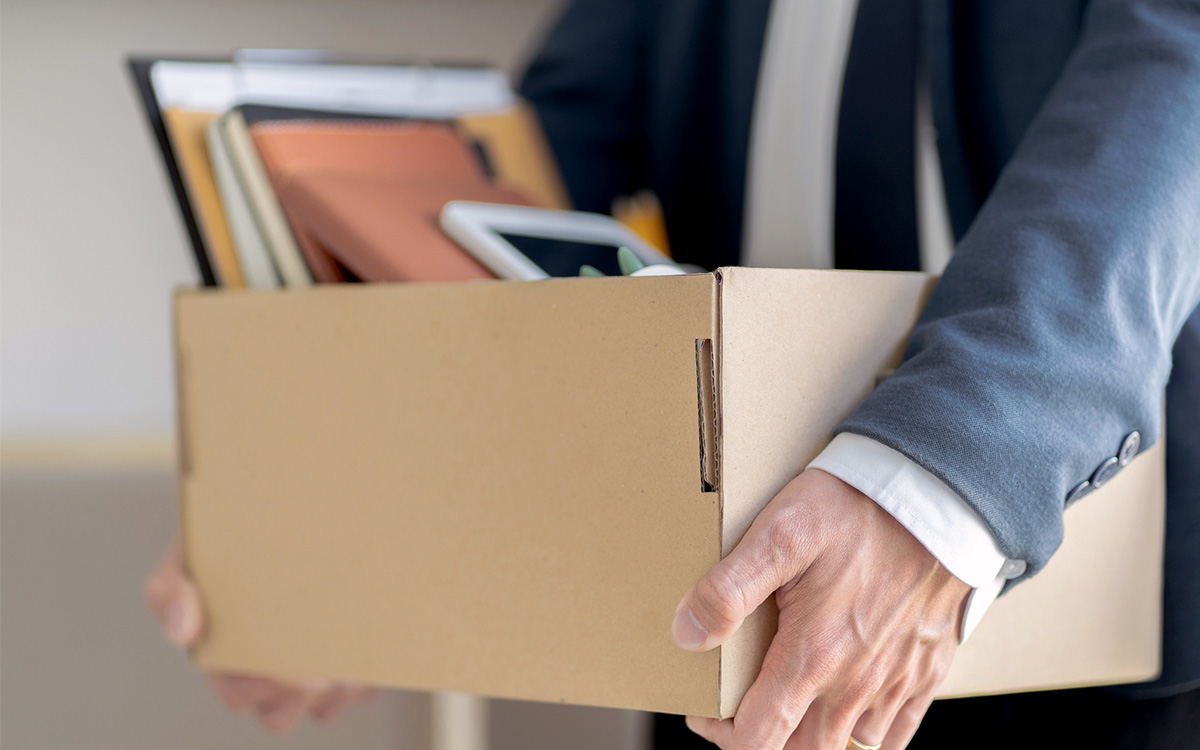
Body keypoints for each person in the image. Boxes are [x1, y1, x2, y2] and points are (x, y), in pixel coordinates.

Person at [148, 0, 1200, 746]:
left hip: (1085, 605)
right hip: (721, 610)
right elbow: (534, 177)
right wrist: (346, 513)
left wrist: (947, 480)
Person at [515, 0, 1200, 748]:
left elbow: (1178, 59)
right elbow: (559, 131)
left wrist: (936, 486)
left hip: (1058, 584)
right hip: (728, 573)